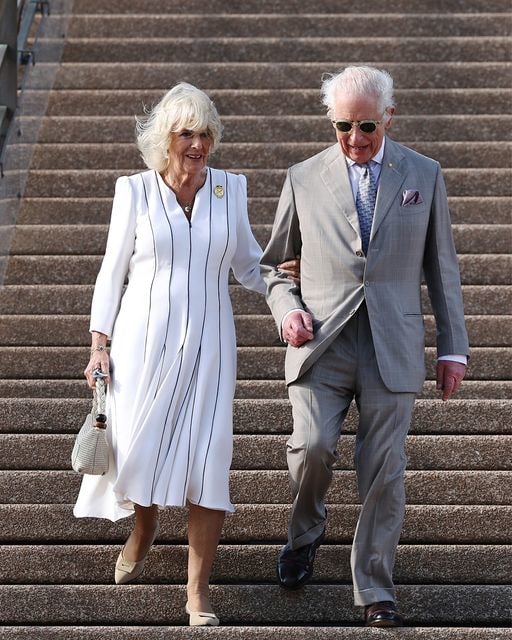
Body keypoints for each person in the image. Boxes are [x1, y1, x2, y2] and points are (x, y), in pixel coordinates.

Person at [76, 83, 297, 626]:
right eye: (186, 133)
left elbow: (247, 263)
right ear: (164, 140)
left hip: (211, 344)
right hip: (141, 342)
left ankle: (197, 592)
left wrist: (283, 276)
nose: (197, 144)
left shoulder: (231, 189)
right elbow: (112, 271)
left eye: (205, 133)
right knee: (141, 443)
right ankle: (144, 526)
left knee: (210, 456)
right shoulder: (133, 191)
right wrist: (97, 343)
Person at [260, 65, 470, 628]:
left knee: (384, 469)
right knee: (313, 448)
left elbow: (441, 268)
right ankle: (304, 532)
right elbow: (275, 267)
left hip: (392, 343)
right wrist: (289, 310)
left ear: (390, 117)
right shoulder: (303, 178)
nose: (355, 139)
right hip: (322, 344)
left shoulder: (423, 175)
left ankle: (376, 587)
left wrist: (453, 348)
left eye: (367, 127)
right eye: (343, 127)